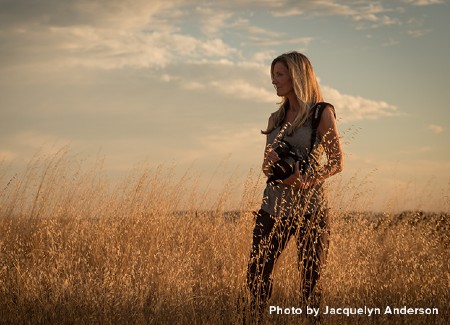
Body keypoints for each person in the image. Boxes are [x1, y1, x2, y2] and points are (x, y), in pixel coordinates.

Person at [246, 51, 344, 321]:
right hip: (273, 206)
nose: (274, 81)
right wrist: (271, 163)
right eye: (273, 75)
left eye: (279, 75)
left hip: (310, 209)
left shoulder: (320, 113)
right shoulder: (274, 119)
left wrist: (307, 180)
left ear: (297, 76)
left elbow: (337, 162)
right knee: (256, 275)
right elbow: (266, 169)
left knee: (311, 282)